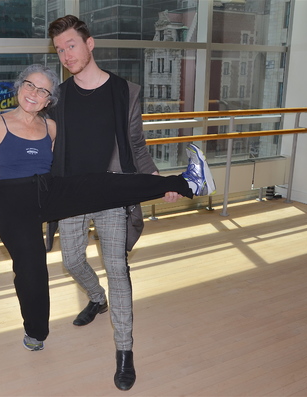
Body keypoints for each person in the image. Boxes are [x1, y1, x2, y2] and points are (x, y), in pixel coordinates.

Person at [0, 64, 214, 357]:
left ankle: (188, 182)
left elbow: (65, 163)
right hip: (13, 201)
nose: (34, 93)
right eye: (30, 85)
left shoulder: (50, 127)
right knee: (32, 270)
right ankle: (35, 331)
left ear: (48, 101)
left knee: (104, 184)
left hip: (48, 190)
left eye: (42, 91)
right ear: (19, 87)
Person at [47, 15, 216, 391]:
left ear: (90, 45)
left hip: (112, 193)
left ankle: (125, 352)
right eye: (59, 50)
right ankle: (96, 298)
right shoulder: (58, 96)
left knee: (117, 268)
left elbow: (135, 145)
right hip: (73, 193)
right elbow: (50, 142)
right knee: (72, 260)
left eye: (71, 45)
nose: (66, 55)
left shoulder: (124, 91)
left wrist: (154, 182)